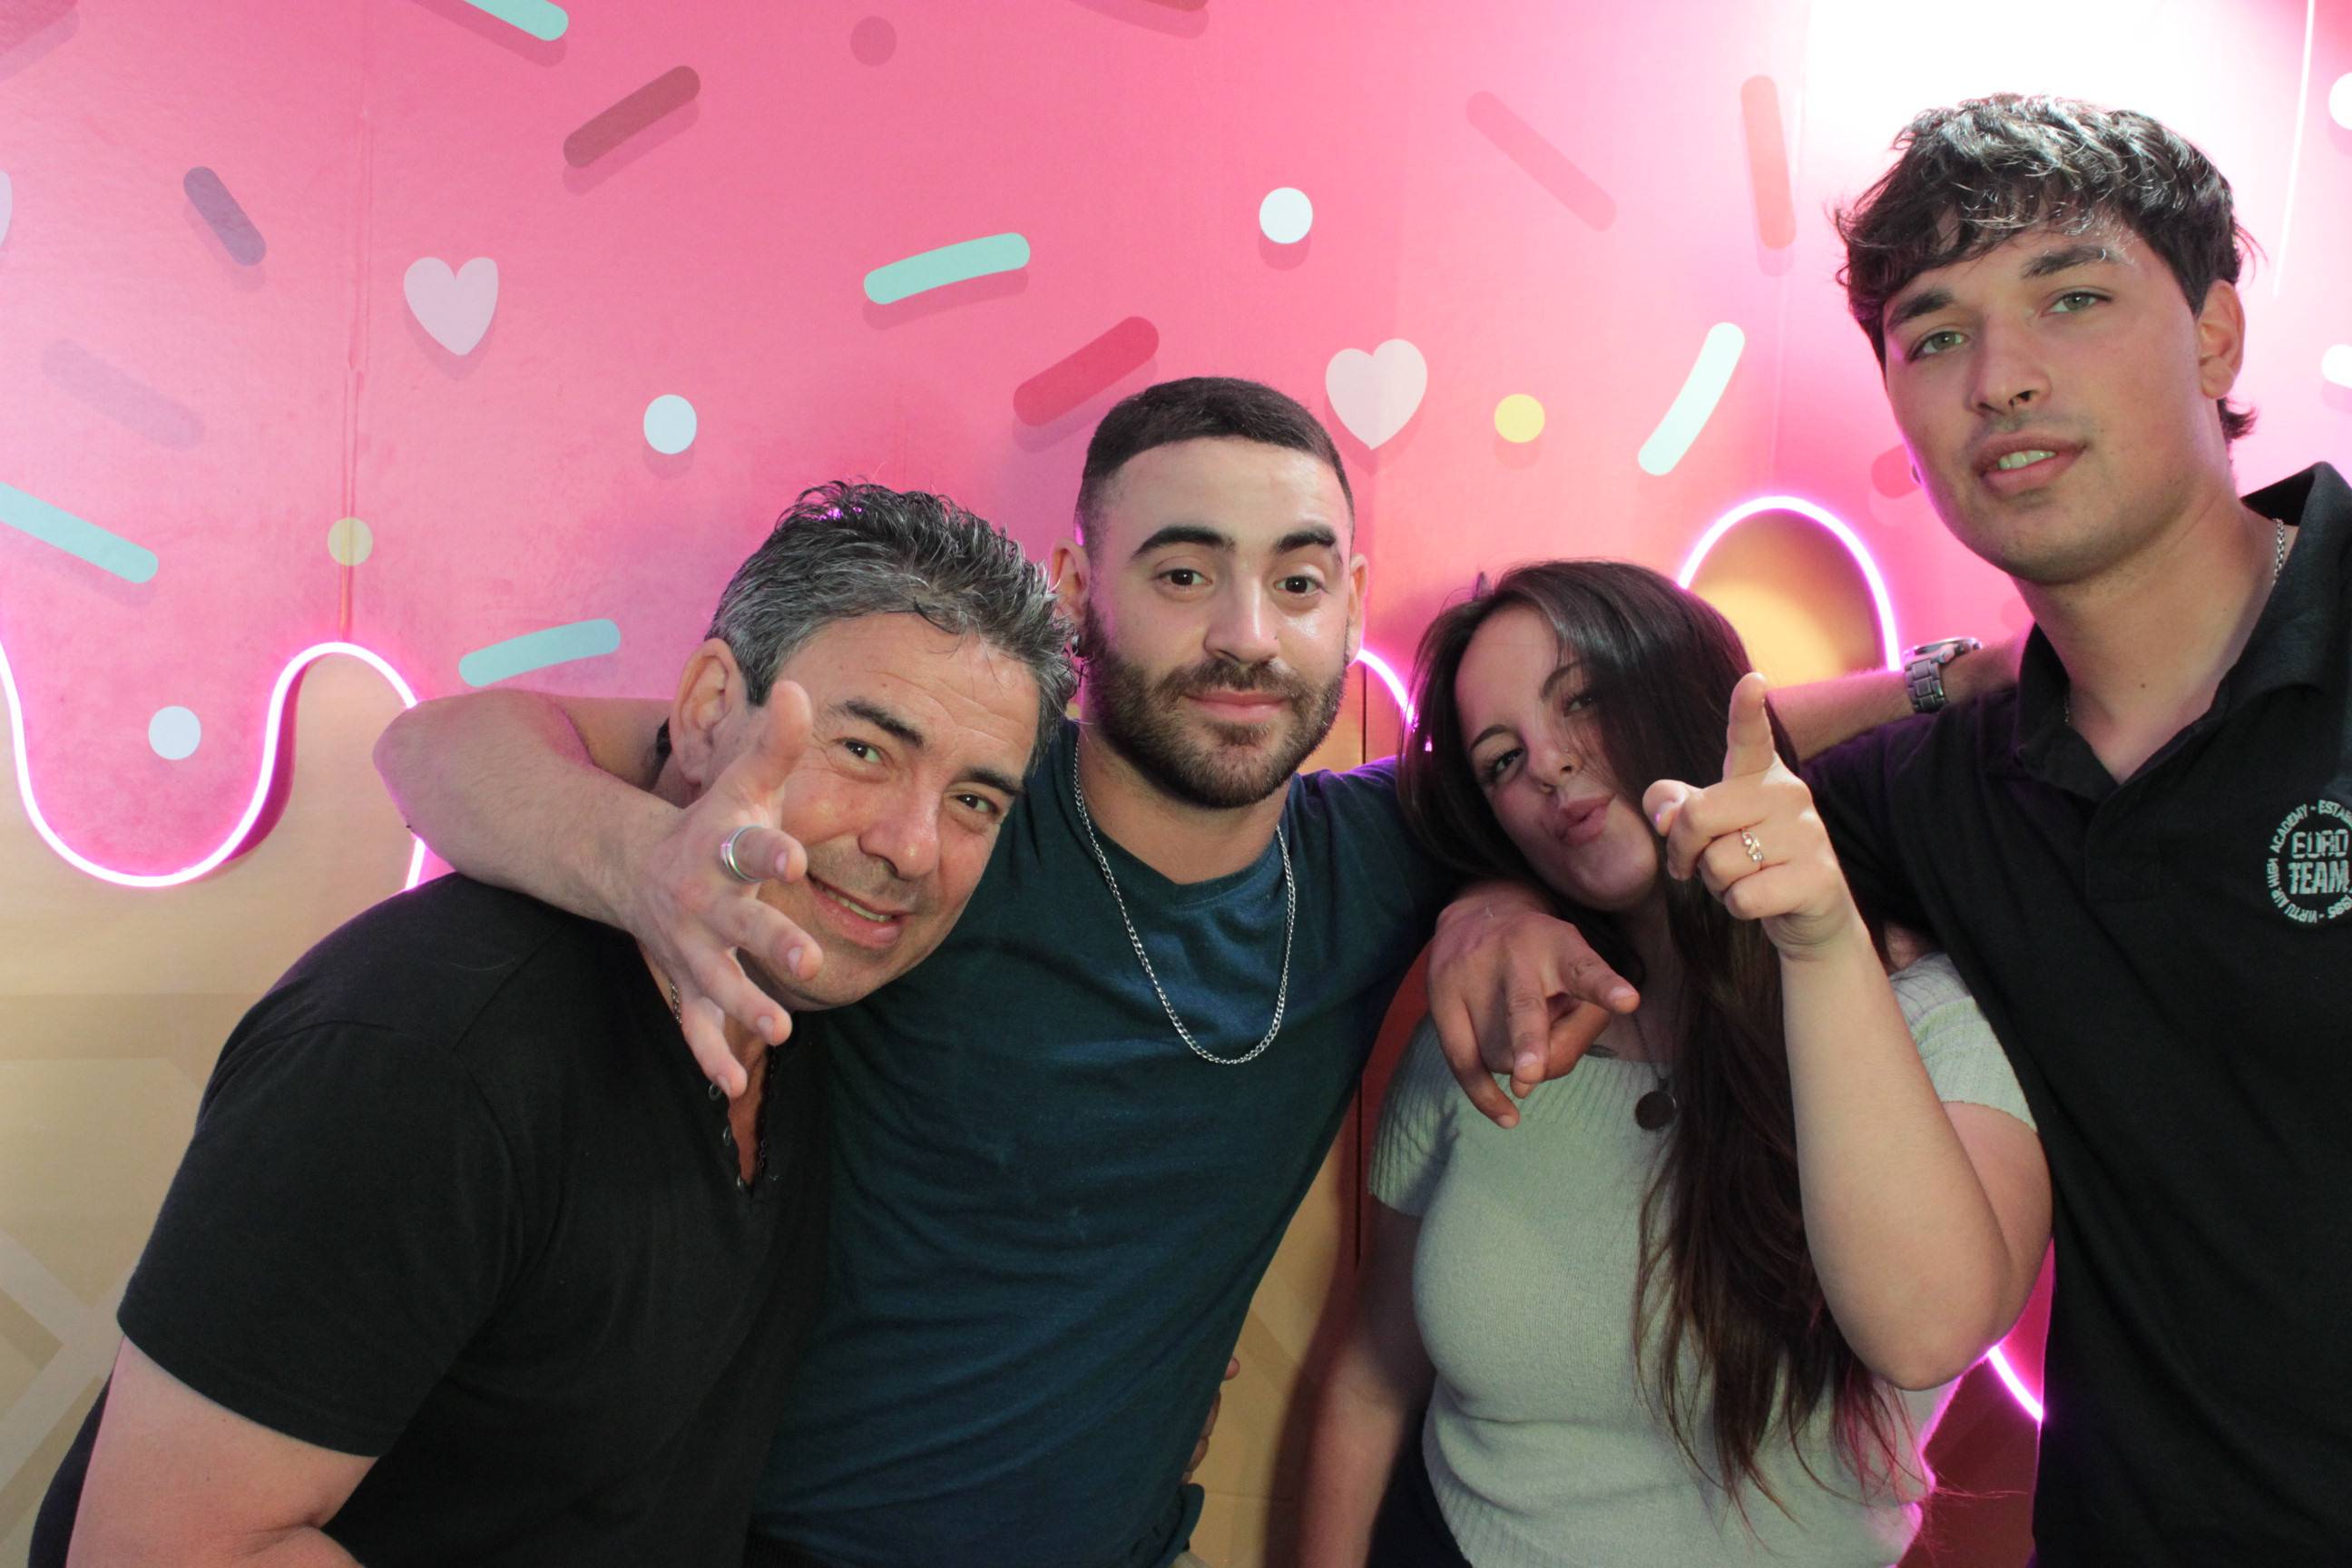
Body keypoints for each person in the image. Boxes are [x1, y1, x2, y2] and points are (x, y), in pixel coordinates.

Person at [1436, 96, 2352, 1562]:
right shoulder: (1938, 793)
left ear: (2214, 334)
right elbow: (1643, 786)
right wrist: (1485, 903)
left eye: (2070, 296)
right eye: (1933, 336)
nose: (2001, 378)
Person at [376, 378, 1463, 1568]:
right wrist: (650, 865)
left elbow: (1577, 819)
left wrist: (1498, 911)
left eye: (1298, 583)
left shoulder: (1385, 854)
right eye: (1184, 574)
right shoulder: (946, 806)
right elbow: (439, 745)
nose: (1247, 635)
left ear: (1352, 604)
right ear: (1076, 590)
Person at [32, 481, 1073, 1568]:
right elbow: (162, 1549)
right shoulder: (430, 1056)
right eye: (863, 750)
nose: (913, 845)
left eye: (974, 802)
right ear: (709, 712)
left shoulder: (804, 1002)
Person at [1299, 561, 2048, 1565]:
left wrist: (1945, 684)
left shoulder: (1932, 1025)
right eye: (1502, 760)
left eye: (1583, 700)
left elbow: (1930, 1331)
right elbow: (1371, 1379)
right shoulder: (1495, 1014)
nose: (1550, 766)